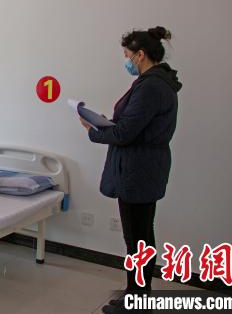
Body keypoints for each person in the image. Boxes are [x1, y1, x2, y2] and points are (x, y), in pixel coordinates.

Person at [78, 27, 181, 314]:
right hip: (146, 166)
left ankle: (136, 301)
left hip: (138, 170)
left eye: (127, 55)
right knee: (142, 235)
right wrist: (107, 124)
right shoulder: (158, 82)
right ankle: (137, 295)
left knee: (136, 239)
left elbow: (125, 133)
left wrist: (93, 129)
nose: (125, 60)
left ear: (140, 55)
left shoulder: (150, 87)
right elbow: (132, 125)